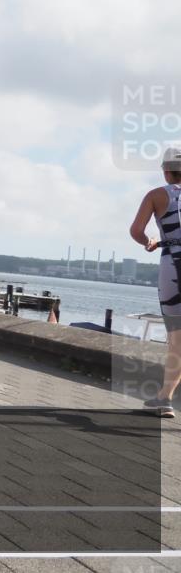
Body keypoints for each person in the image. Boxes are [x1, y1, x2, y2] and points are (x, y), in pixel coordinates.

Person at [130, 146, 181, 418]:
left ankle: (165, 400)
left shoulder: (157, 195)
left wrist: (149, 241)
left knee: (177, 338)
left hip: (173, 266)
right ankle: (164, 396)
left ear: (165, 171)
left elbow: (136, 231)